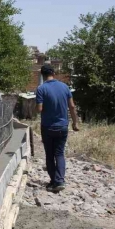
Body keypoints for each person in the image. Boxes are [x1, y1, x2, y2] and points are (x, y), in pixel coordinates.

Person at [36, 64, 79, 192]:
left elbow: (39, 109)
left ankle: (53, 181)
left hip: (48, 127)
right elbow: (72, 106)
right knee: (59, 154)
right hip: (63, 126)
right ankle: (60, 181)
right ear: (53, 73)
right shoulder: (65, 87)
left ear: (42, 75)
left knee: (49, 155)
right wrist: (75, 122)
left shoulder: (41, 89)